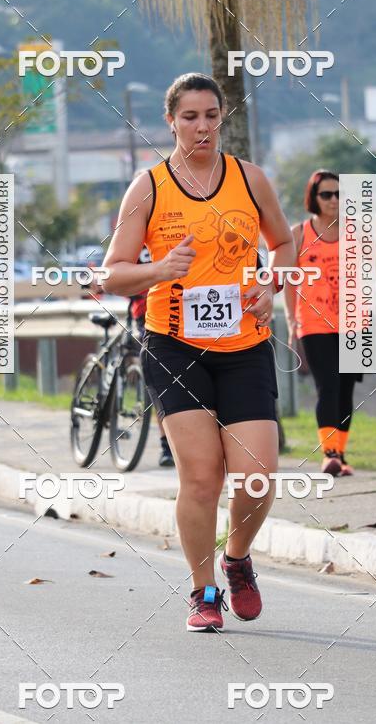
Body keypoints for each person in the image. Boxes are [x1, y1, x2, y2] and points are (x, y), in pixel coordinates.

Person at [103, 72, 295, 632]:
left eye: (211, 115)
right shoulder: (149, 186)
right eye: (190, 117)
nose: (202, 126)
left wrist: (271, 284)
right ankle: (202, 589)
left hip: (244, 345)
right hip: (173, 344)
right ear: (171, 121)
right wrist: (159, 270)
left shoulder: (250, 178)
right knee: (202, 477)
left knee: (258, 476)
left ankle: (237, 559)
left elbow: (283, 243)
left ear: (222, 119)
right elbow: (114, 273)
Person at [284, 170, 376, 476]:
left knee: (346, 390)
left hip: (354, 321)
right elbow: (291, 281)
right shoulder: (300, 233)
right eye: (326, 194)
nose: (333, 200)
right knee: (328, 386)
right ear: (313, 198)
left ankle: (340, 455)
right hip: (314, 322)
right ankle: (329, 453)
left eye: (339, 194)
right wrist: (293, 317)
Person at [127, 242, 175, 468]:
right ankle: (167, 444)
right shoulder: (134, 230)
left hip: (184, 310)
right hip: (147, 312)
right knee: (161, 382)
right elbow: (118, 272)